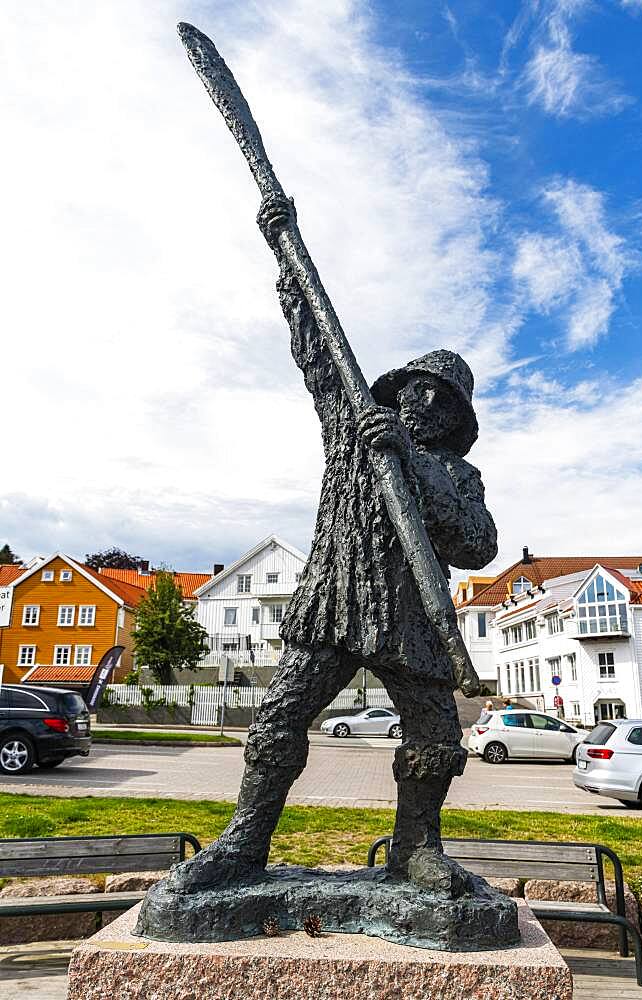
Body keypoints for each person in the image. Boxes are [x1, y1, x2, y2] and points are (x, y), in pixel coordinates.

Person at [166, 194, 498, 896]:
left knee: (435, 733)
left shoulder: (457, 474)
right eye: (417, 387)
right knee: (281, 716)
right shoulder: (352, 428)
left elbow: (477, 546)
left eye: (441, 396)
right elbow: (317, 348)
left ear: (456, 417)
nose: (424, 401)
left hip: (413, 615)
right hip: (336, 599)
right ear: (399, 389)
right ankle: (245, 842)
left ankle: (417, 849)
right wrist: (287, 256)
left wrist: (410, 465)